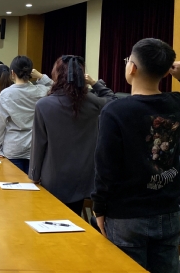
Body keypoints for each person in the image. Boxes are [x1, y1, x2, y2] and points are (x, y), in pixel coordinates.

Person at [92, 38, 180, 273]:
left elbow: (106, 167)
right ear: (167, 72)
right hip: (168, 213)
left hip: (126, 215)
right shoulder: (179, 103)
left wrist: (99, 207)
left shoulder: (115, 111)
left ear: (132, 68)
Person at [28, 55, 116, 215]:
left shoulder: (44, 105)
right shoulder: (93, 102)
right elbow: (113, 101)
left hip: (52, 178)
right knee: (74, 219)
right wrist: (94, 83)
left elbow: (38, 145)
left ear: (57, 75)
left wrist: (34, 175)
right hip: (83, 178)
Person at [0, 55, 52, 174]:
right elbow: (57, 89)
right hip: (35, 146)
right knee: (33, 184)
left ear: (12, 73)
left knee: (13, 183)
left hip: (13, 146)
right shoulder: (41, 91)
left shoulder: (6, 94)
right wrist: (41, 76)